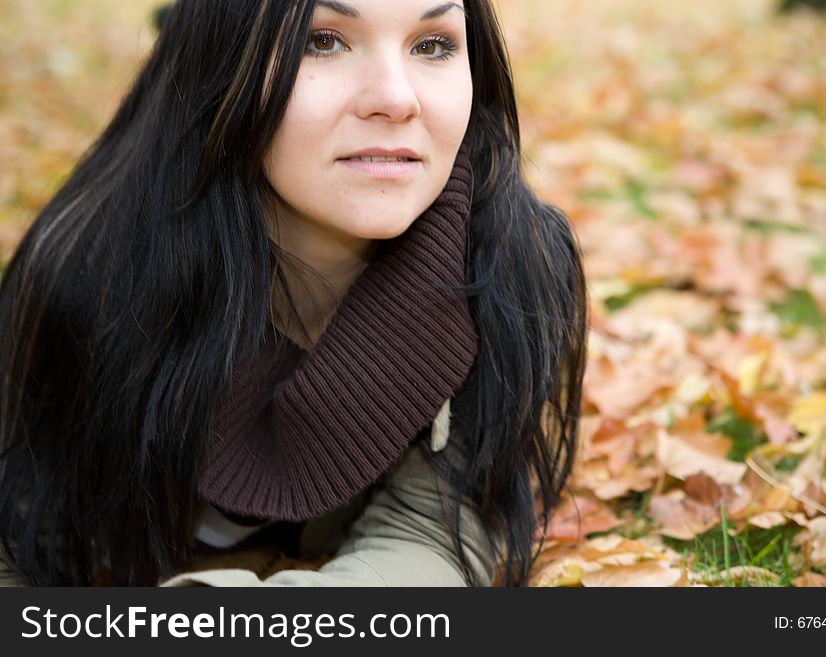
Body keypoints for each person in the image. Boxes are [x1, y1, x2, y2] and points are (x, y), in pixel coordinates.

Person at [0, 0, 587, 587]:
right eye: (323, 41)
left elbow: (428, 537)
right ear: (225, 62)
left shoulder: (505, 266)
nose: (396, 97)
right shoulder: (87, 273)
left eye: (432, 45)